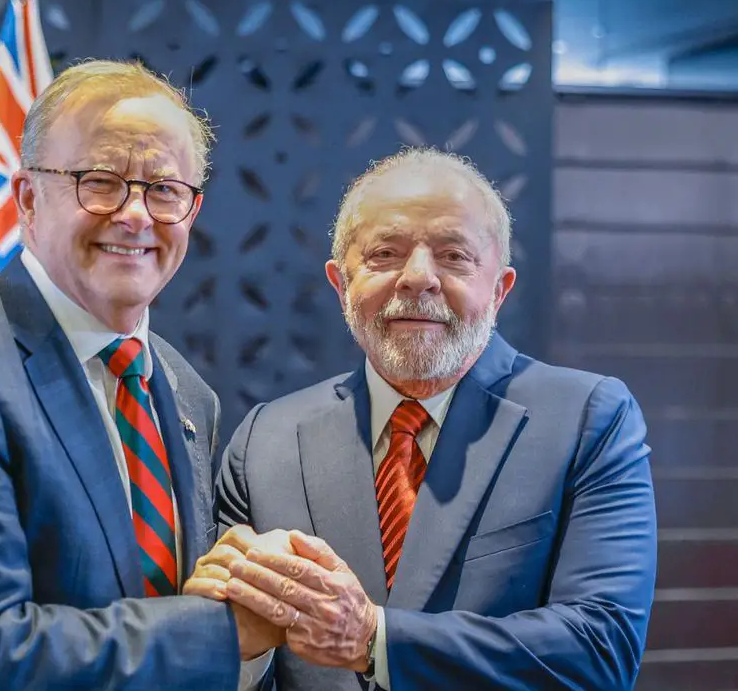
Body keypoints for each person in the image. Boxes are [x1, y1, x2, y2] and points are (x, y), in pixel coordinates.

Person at [0, 59, 279, 691]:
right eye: (99, 181)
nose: (136, 214)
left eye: (164, 190)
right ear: (27, 199)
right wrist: (225, 631)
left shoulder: (186, 392)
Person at [186, 147, 657, 690]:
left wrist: (374, 640)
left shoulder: (588, 420)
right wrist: (225, 642)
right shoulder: (265, 441)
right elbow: (240, 658)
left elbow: (602, 649)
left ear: (499, 289)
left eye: (454, 256)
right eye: (384, 253)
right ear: (341, 284)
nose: (418, 278)